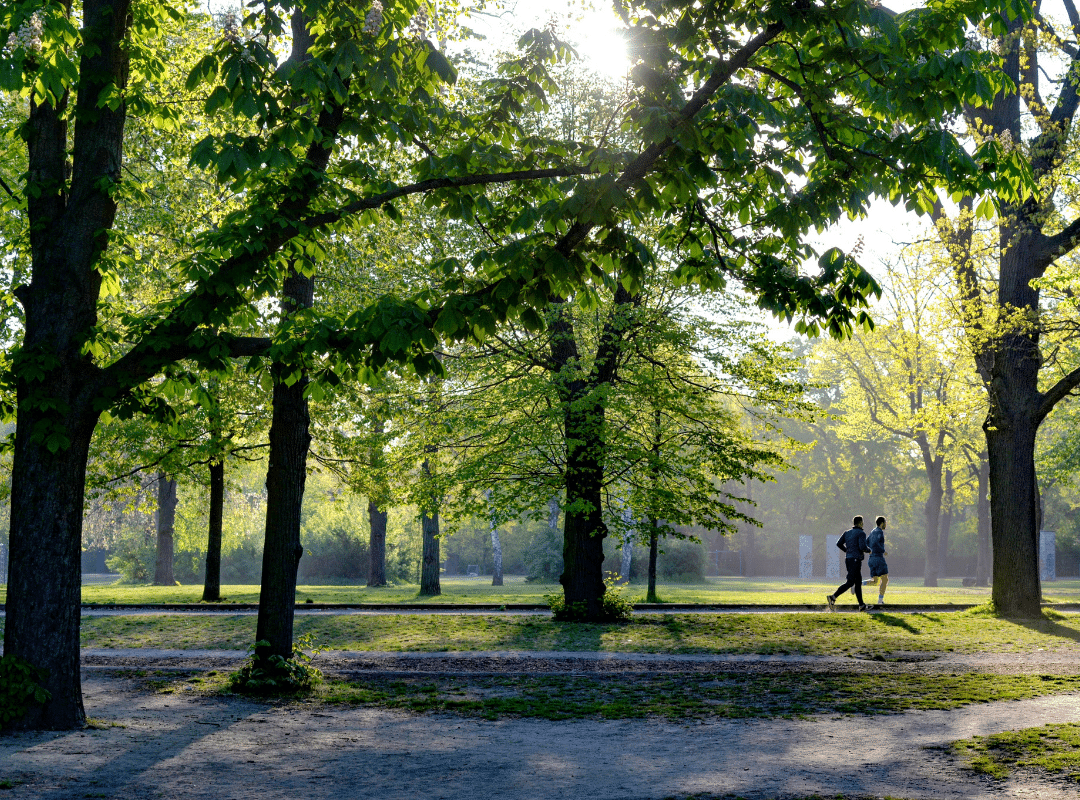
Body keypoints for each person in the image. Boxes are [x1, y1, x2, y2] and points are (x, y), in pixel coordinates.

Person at [827, 516, 871, 611]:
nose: (863, 524)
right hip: (855, 560)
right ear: (860, 523)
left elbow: (839, 543)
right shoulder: (861, 533)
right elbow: (862, 547)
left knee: (858, 582)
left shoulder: (847, 533)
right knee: (851, 582)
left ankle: (862, 605)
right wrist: (869, 550)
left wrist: (847, 551)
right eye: (862, 522)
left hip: (848, 559)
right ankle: (833, 597)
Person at [862, 516, 889, 607]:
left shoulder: (872, 531)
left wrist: (870, 551)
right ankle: (880, 601)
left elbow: (866, 542)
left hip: (871, 559)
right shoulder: (879, 532)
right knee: (885, 580)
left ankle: (857, 584)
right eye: (885, 523)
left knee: (875, 581)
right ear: (882, 523)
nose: (886, 524)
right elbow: (876, 542)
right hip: (878, 558)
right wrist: (883, 551)